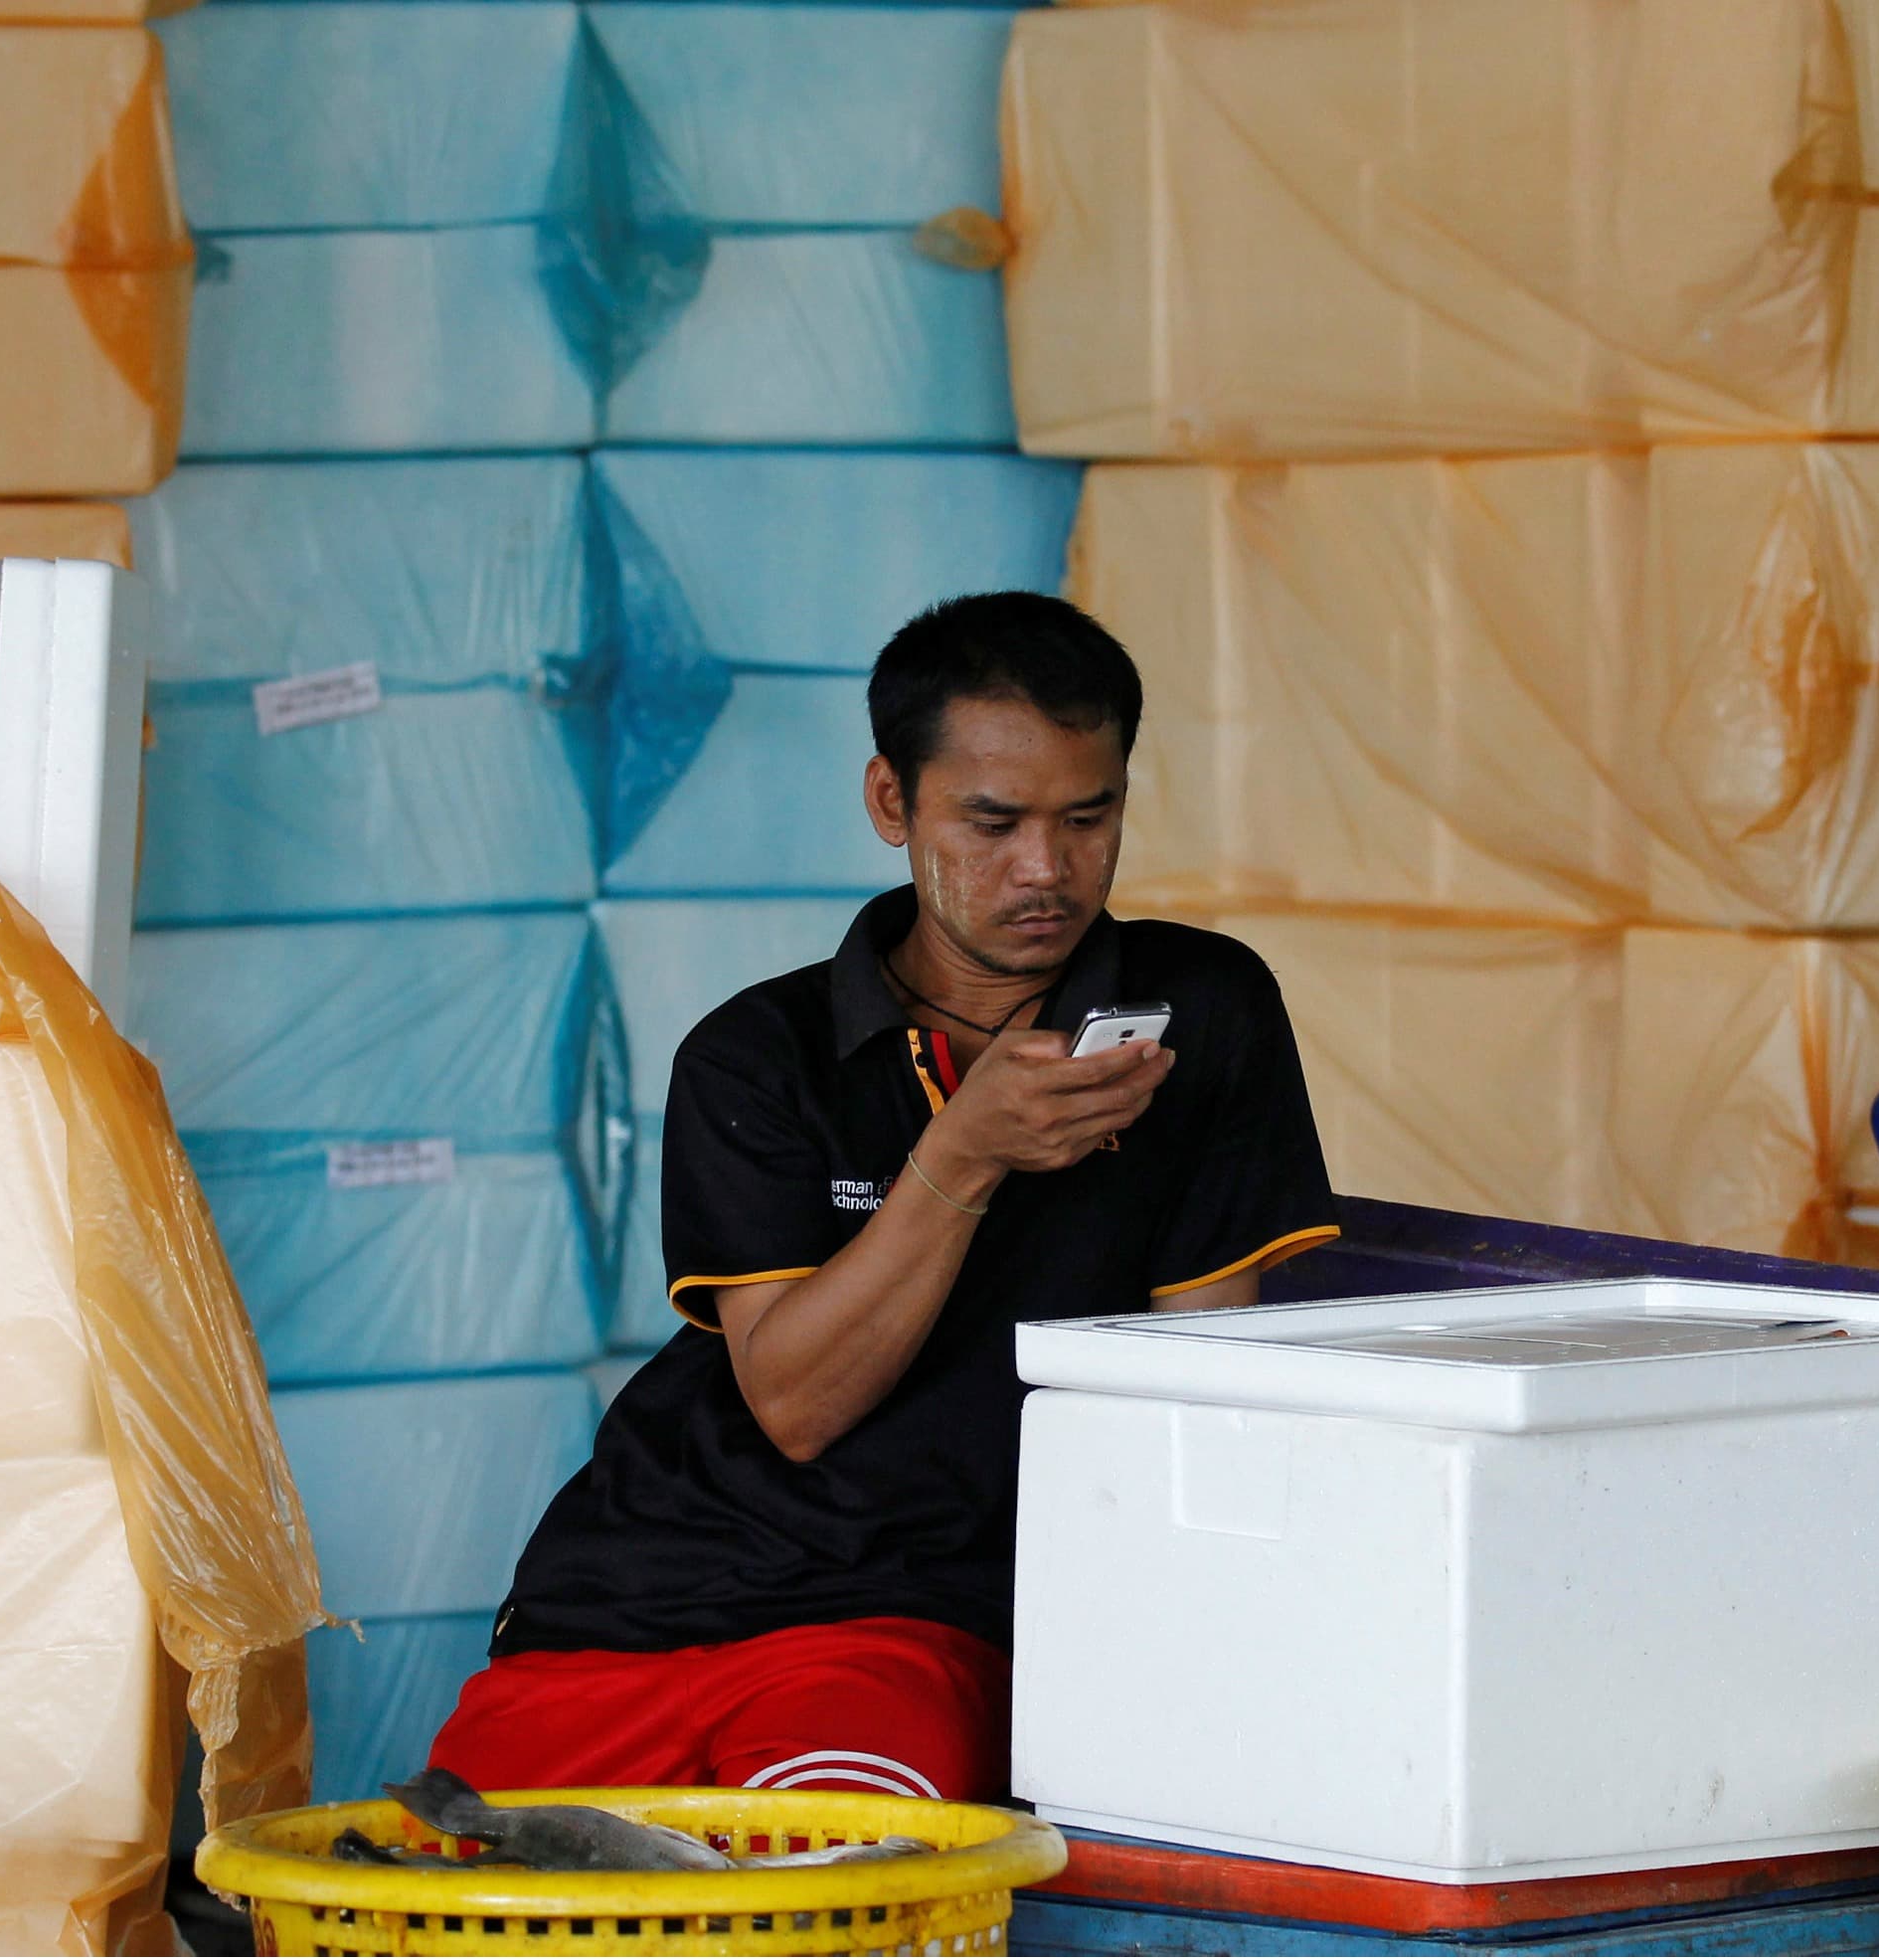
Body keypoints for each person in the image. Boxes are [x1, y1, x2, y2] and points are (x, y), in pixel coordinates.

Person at [427, 591, 1337, 1801]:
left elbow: (1202, 1388)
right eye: (991, 821)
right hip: (623, 1601)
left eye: (1088, 815)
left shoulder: (1201, 1012)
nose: (1045, 870)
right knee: (438, 1897)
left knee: (824, 1889)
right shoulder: (757, 1054)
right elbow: (794, 1403)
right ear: (890, 804)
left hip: (906, 1619)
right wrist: (961, 1156)